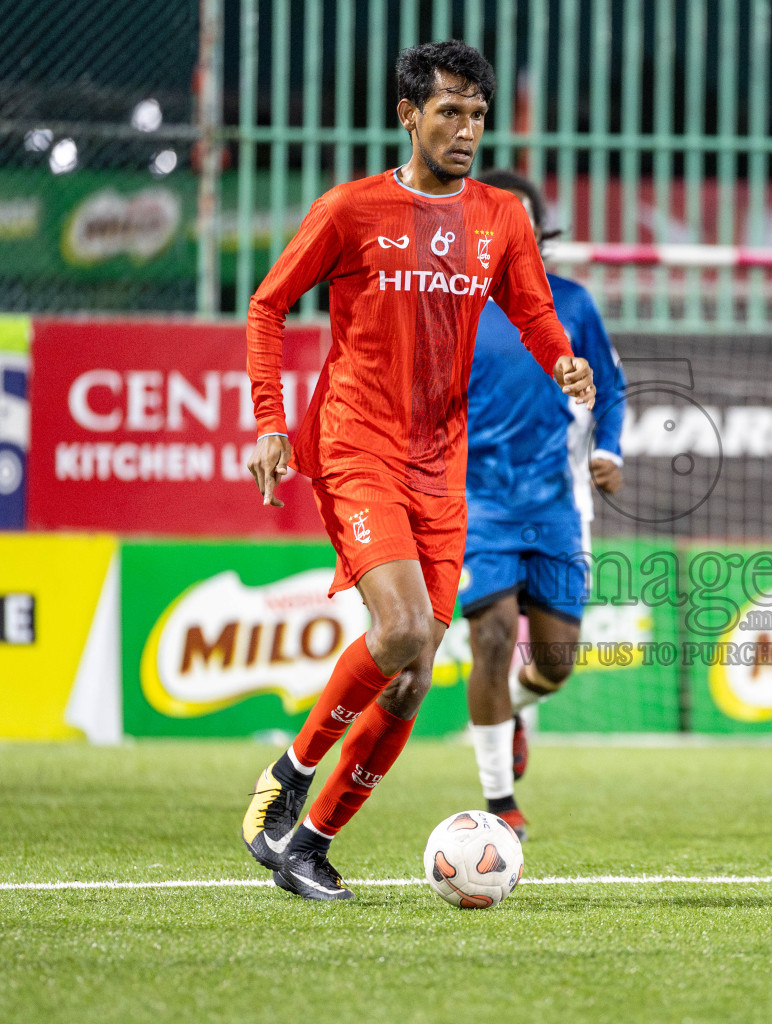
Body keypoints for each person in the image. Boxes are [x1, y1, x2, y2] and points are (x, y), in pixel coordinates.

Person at [239, 40, 594, 902]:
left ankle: (311, 845)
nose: (467, 129)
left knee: (410, 678)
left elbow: (532, 309)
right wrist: (270, 422)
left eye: (478, 115)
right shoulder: (351, 209)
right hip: (357, 445)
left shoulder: (501, 217)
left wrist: (562, 358)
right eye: (449, 112)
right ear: (408, 114)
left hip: (441, 465)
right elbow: (268, 305)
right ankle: (287, 777)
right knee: (400, 631)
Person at [458, 169, 627, 840]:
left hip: (557, 502)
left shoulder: (573, 304)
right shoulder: (452, 304)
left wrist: (609, 450)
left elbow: (611, 389)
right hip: (477, 500)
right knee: (492, 637)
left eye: (523, 224)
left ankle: (514, 710)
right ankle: (499, 801)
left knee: (556, 663)